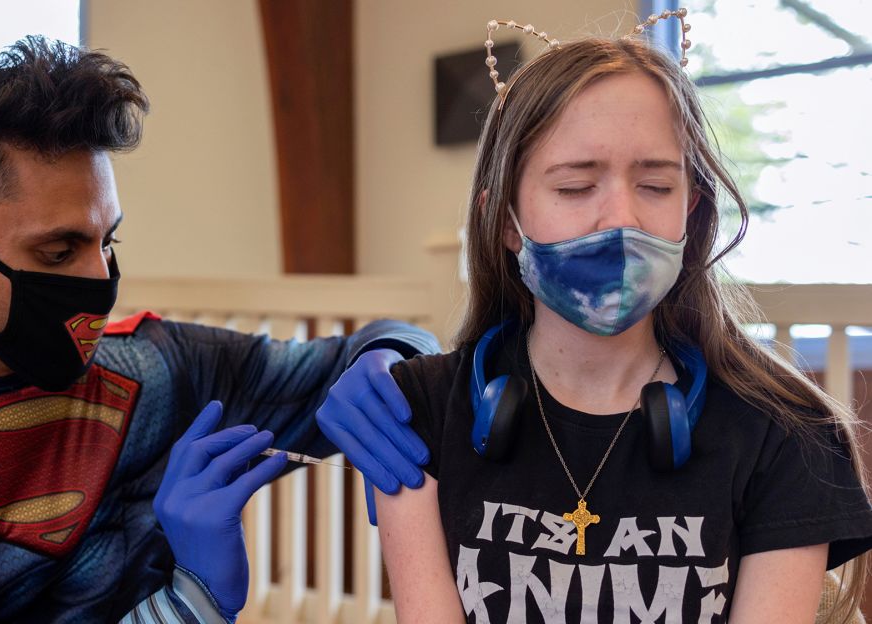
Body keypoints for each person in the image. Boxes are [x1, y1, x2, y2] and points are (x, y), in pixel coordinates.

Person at [0, 38, 436, 623]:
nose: (99, 280)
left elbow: (384, 346)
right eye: (58, 253)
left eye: (107, 241)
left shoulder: (156, 367)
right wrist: (190, 605)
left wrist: (396, 357)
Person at [371, 10, 872, 623]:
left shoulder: (787, 433)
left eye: (656, 187)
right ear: (505, 220)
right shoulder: (415, 414)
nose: (621, 220)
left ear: (690, 211)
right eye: (577, 187)